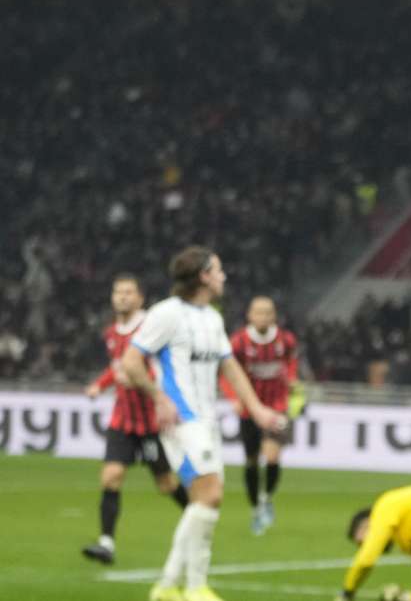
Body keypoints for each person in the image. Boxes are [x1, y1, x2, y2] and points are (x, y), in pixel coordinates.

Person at [119, 246, 286, 601]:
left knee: (202, 501)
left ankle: (166, 586)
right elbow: (131, 361)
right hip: (181, 419)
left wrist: (256, 409)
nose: (224, 276)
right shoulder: (167, 314)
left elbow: (229, 366)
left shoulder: (212, 317)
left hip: (207, 420)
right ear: (203, 276)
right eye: (219, 270)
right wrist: (159, 399)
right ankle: (196, 588)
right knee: (210, 495)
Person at [81, 274, 188, 565]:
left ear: (140, 298)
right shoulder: (112, 333)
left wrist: (149, 386)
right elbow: (116, 368)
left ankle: (196, 518)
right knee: (111, 476)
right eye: (118, 292)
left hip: (150, 422)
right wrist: (99, 386)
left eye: (129, 292)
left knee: (166, 484)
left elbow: (160, 368)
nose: (122, 297)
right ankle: (106, 543)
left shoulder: (149, 329)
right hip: (122, 420)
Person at [222, 295, 300, 535]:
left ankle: (266, 498)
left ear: (273, 315)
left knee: (273, 456)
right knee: (252, 461)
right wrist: (234, 398)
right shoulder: (238, 342)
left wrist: (292, 380)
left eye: (268, 312)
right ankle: (256, 507)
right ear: (250, 315)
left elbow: (291, 362)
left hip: (277, 406)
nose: (263, 316)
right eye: (259, 312)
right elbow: (225, 373)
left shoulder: (286, 340)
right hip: (250, 408)